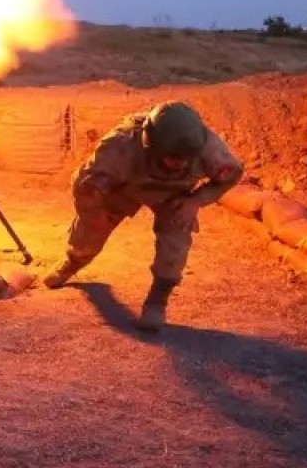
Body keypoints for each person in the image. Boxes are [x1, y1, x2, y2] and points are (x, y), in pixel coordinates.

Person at [42, 101, 244, 332]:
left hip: (174, 195)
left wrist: (195, 201)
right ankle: (73, 261)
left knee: (175, 243)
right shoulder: (121, 145)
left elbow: (231, 176)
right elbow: (85, 187)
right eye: (172, 157)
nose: (179, 163)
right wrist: (93, 216)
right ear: (152, 145)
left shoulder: (207, 147)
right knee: (90, 234)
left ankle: (157, 301)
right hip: (124, 187)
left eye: (185, 159)